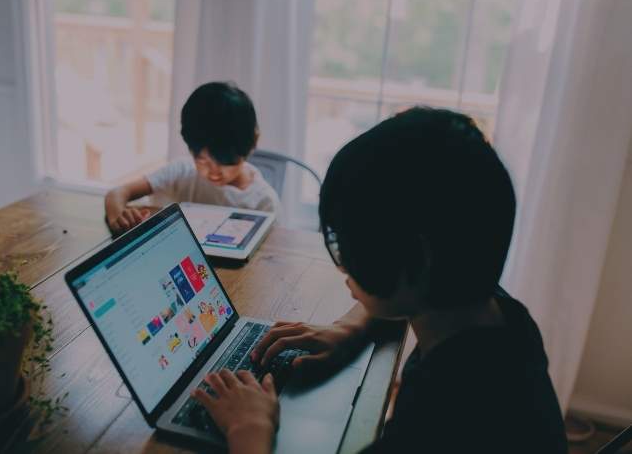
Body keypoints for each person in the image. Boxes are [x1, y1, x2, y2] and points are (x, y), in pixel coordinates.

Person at [191, 107, 568, 453]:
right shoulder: (499, 315)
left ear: (417, 259)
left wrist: (249, 429)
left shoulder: (440, 422)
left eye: (348, 247)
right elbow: (419, 290)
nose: (343, 268)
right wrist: (346, 328)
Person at [105, 81, 280, 235]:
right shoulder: (181, 172)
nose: (214, 172)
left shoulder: (263, 202)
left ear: (253, 141)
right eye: (201, 160)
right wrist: (118, 216)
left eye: (226, 162)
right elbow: (117, 193)